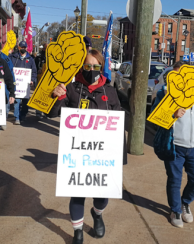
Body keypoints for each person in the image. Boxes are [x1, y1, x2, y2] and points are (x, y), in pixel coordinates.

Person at [49, 50, 125, 244]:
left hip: (103, 154)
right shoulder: (72, 88)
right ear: (82, 67)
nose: (92, 70)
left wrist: (120, 156)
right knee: (77, 194)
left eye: (96, 66)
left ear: (101, 67)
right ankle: (78, 231)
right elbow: (52, 114)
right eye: (88, 66)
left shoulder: (110, 91)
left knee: (102, 194)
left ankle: (97, 214)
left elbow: (119, 123)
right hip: (77, 153)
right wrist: (56, 96)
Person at [150, 63, 194, 228]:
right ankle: (175, 210)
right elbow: (155, 118)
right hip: (175, 146)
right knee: (174, 179)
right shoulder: (164, 94)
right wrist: (171, 114)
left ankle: (185, 203)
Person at [9, 41, 37, 124]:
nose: (23, 49)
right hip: (16, 85)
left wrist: (32, 80)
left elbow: (34, 71)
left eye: (24, 48)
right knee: (17, 101)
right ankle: (17, 118)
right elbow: (9, 68)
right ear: (19, 47)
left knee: (25, 102)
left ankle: (23, 115)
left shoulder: (30, 59)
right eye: (22, 47)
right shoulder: (13, 57)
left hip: (25, 86)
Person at [0, 41, 15, 130]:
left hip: (4, 85)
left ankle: (3, 120)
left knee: (4, 104)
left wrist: (12, 88)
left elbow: (11, 73)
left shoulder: (6, 59)